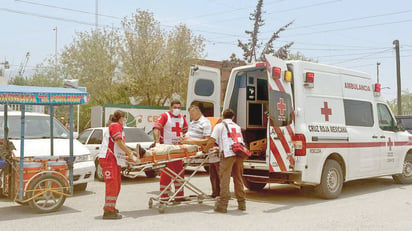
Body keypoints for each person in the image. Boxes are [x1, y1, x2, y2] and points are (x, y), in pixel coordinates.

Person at [203, 109, 246, 213]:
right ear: (233, 117)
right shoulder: (237, 127)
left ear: (222, 116)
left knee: (224, 179)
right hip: (239, 154)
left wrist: (205, 150)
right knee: (238, 178)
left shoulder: (219, 126)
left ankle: (223, 205)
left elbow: (212, 140)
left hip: (228, 154)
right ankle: (242, 203)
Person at [98, 110, 139, 219]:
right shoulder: (115, 126)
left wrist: (131, 151)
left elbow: (120, 145)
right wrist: (130, 154)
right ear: (121, 118)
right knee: (112, 184)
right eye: (125, 118)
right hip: (108, 158)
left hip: (114, 159)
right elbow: (119, 142)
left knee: (117, 184)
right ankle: (108, 211)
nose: (125, 120)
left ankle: (111, 206)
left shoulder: (118, 127)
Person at [153, 99, 188, 201]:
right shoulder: (164, 116)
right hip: (167, 149)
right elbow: (156, 129)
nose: (177, 109)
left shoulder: (182, 118)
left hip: (178, 149)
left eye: (178, 107)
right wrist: (157, 143)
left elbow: (185, 132)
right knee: (166, 172)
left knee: (179, 172)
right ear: (170, 108)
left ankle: (179, 195)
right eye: (175, 107)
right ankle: (164, 196)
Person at [180, 105, 219, 198]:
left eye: (192, 113)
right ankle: (149, 151)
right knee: (171, 147)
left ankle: (148, 153)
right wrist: (184, 137)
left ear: (198, 111)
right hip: (187, 143)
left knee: (171, 150)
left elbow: (207, 140)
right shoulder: (193, 122)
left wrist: (190, 141)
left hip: (196, 146)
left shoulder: (205, 123)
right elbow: (189, 134)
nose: (191, 116)